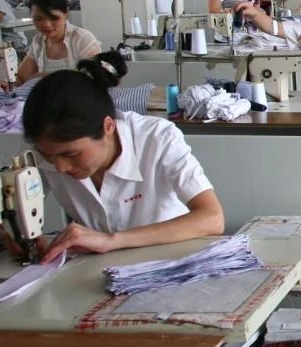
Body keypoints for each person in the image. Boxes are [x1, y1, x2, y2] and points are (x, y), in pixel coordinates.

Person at [20, 50, 224, 264]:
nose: (59, 167)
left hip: (169, 259)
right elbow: (18, 204)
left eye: (71, 154)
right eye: (47, 156)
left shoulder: (157, 138)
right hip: (100, 267)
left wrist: (111, 240)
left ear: (108, 127)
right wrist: (18, 233)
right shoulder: (42, 150)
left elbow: (212, 218)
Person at [13, 0, 101, 84]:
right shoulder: (38, 42)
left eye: (54, 18)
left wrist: (46, 77)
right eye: (39, 19)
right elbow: (21, 78)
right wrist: (7, 84)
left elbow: (95, 80)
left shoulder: (82, 39)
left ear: (66, 13)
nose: (46, 24)